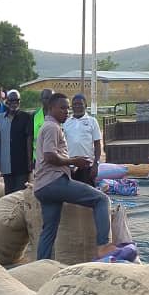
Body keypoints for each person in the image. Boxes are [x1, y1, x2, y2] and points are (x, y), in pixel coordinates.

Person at [33, 93, 115, 260]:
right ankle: (103, 247)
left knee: (49, 230)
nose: (66, 111)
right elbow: (49, 156)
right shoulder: (52, 127)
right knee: (101, 200)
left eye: (67, 108)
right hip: (54, 182)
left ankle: (41, 265)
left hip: (42, 187)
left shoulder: (55, 126)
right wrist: (74, 161)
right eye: (62, 108)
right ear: (51, 108)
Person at [0, 89, 34, 195]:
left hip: (21, 164)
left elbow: (29, 140)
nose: (14, 103)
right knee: (8, 195)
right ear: (6, 102)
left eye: (16, 100)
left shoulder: (26, 117)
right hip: (6, 164)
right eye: (11, 100)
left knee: (20, 195)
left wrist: (29, 162)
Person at [63, 94, 102, 185]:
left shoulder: (92, 121)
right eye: (74, 104)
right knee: (70, 196)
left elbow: (97, 144)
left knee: (87, 195)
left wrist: (96, 164)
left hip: (87, 166)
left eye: (80, 104)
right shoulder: (66, 122)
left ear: (85, 105)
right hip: (70, 166)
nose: (77, 106)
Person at [32, 88, 54, 158]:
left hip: (54, 159)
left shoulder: (60, 115)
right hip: (37, 158)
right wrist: (30, 160)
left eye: (52, 98)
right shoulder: (34, 115)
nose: (49, 101)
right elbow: (29, 138)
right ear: (41, 99)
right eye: (46, 98)